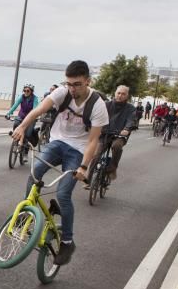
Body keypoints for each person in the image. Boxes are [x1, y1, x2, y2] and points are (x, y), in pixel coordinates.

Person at [12, 60, 109, 266]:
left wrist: (84, 167)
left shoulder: (97, 105)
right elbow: (38, 111)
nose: (72, 89)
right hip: (57, 143)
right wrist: (22, 126)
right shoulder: (62, 94)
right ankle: (25, 213)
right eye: (69, 83)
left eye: (77, 84)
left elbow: (93, 140)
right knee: (35, 174)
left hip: (78, 150)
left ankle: (67, 241)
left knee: (64, 194)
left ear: (87, 81)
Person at [101, 85, 137, 180]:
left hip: (119, 136)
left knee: (116, 146)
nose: (120, 95)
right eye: (119, 93)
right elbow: (98, 116)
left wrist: (126, 129)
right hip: (105, 133)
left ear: (127, 96)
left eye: (123, 94)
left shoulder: (131, 108)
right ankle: (88, 179)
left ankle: (113, 168)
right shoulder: (106, 105)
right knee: (96, 154)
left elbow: (131, 120)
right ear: (115, 93)